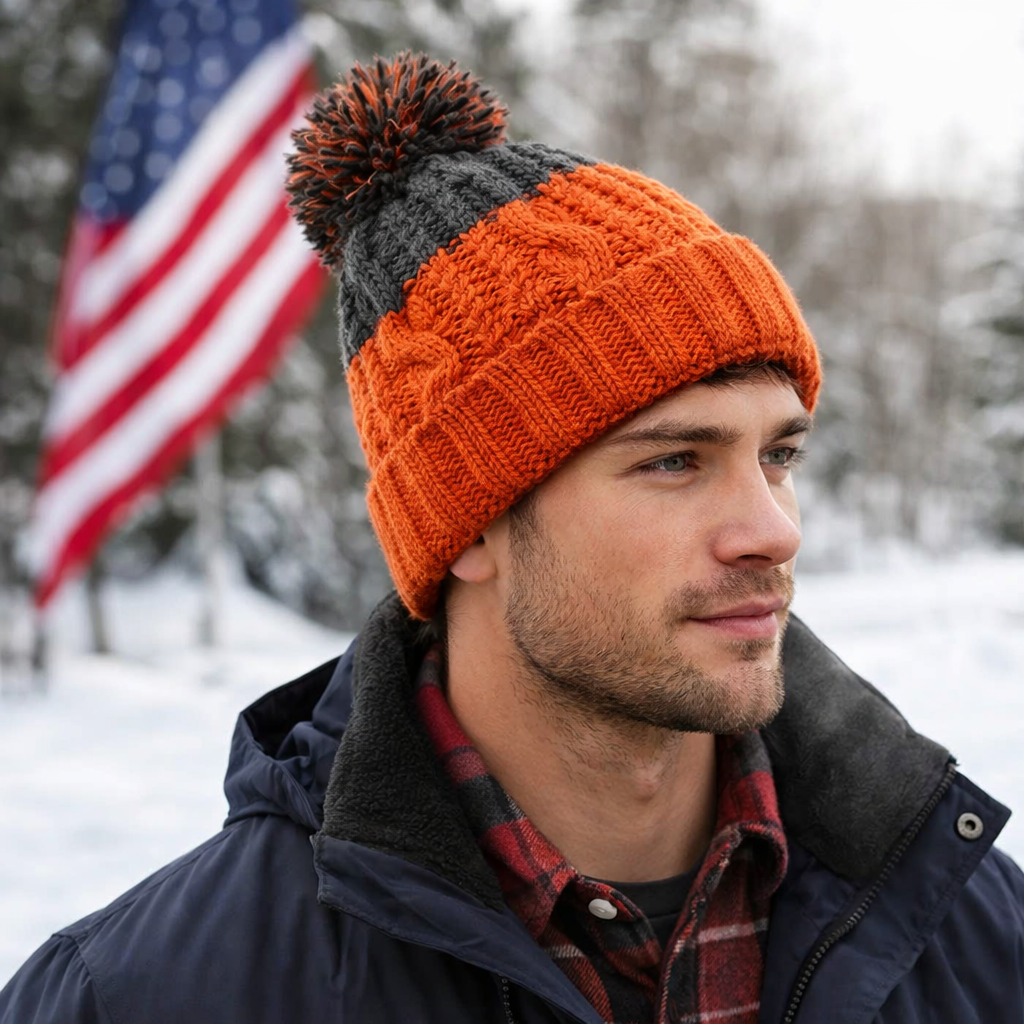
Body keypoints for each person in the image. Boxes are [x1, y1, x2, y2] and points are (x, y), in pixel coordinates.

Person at [3, 51, 1022, 1024]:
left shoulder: (973, 929)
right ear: (469, 523)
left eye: (778, 455)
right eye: (673, 461)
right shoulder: (149, 994)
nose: (769, 528)